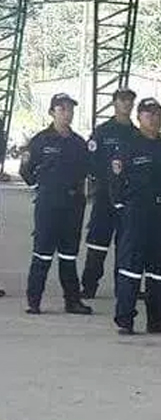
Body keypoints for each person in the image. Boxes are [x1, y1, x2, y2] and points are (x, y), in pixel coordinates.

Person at [111, 97, 161, 335]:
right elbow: (116, 181)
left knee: (158, 269)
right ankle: (125, 319)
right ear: (139, 117)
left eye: (158, 114)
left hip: (160, 214)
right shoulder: (128, 145)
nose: (155, 119)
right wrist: (122, 207)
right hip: (136, 213)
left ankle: (157, 319)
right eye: (149, 114)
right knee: (131, 267)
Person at [19, 93, 91, 315]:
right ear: (52, 112)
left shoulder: (79, 143)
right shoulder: (40, 140)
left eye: (69, 109)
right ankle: (34, 300)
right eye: (62, 109)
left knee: (69, 256)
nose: (67, 113)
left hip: (72, 206)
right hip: (49, 205)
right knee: (42, 254)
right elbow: (26, 170)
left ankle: (72, 301)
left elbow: (88, 171)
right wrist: (42, 188)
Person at [81, 87, 137, 299]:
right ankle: (89, 286)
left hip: (127, 199)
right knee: (97, 242)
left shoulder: (136, 134)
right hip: (105, 197)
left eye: (130, 101)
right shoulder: (102, 131)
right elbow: (91, 160)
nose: (126, 104)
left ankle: (124, 288)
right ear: (114, 103)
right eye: (122, 100)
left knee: (126, 245)